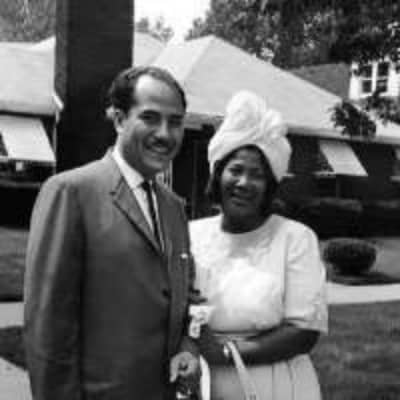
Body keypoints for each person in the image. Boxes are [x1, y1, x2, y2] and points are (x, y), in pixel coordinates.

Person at [24, 66, 201, 400]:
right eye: (150, 118)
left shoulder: (174, 207)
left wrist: (188, 347)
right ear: (119, 120)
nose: (165, 134)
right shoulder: (71, 193)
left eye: (175, 122)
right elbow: (48, 331)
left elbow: (186, 295)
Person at [190, 91, 328, 400]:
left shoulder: (295, 238)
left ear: (270, 186)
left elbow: (304, 332)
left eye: (257, 175)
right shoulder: (190, 235)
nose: (244, 182)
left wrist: (225, 352)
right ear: (218, 175)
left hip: (277, 385)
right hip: (201, 384)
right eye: (236, 170)